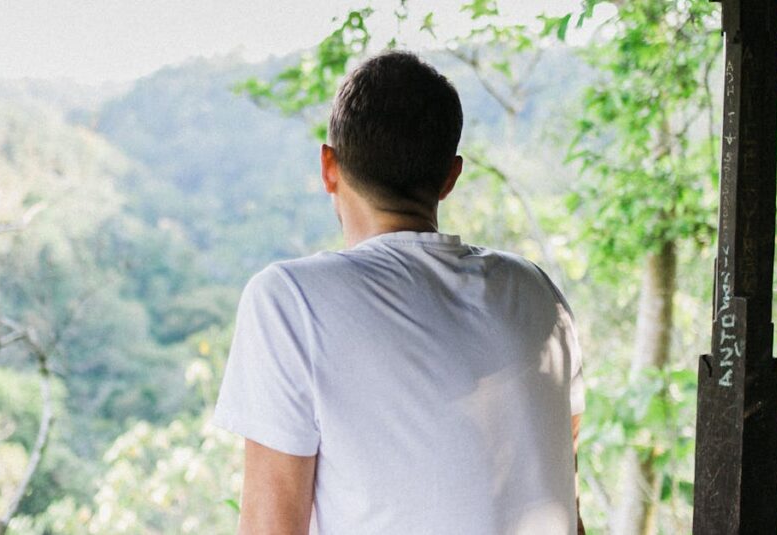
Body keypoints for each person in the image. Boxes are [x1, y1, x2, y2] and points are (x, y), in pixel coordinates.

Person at [211, 50, 585, 534]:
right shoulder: (538, 293)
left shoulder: (289, 302)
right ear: (450, 177)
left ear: (328, 166)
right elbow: (568, 501)